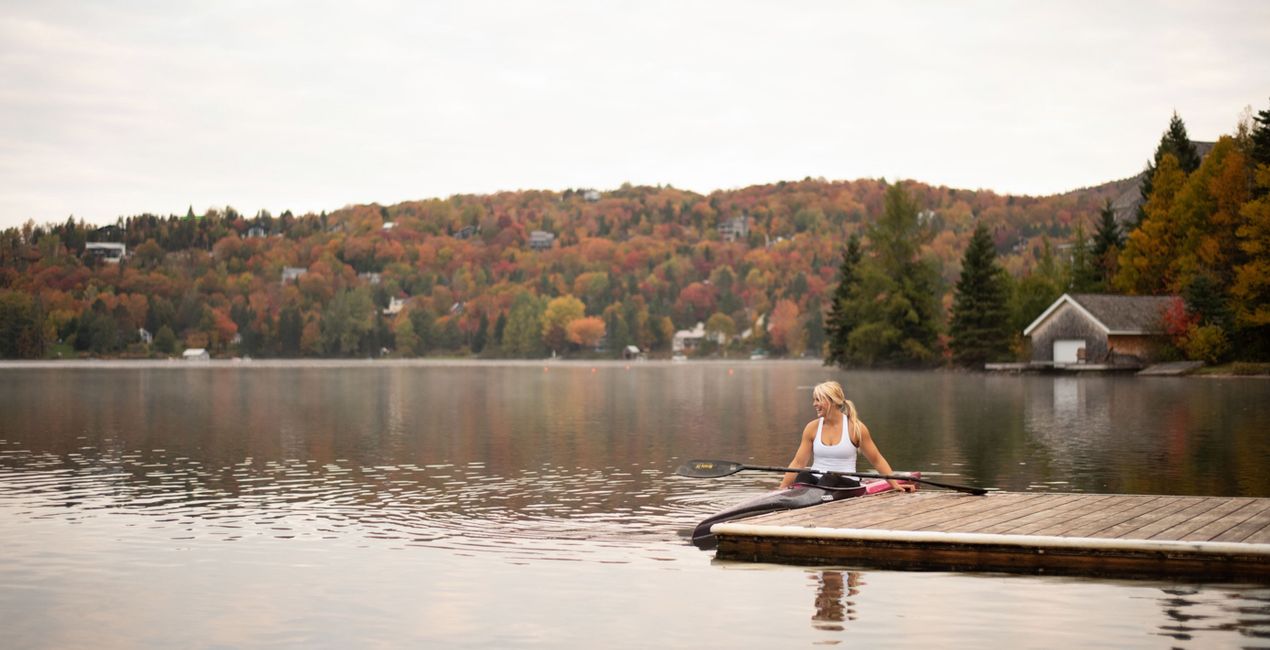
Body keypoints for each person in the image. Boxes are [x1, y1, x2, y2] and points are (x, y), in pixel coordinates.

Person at [778, 380, 916, 492]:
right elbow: (798, 463)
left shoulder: (855, 428)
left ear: (832, 401)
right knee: (802, 476)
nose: (814, 404)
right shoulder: (812, 428)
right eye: (814, 400)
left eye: (819, 400)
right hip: (818, 481)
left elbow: (877, 460)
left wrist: (894, 484)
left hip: (846, 483)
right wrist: (780, 490)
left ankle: (811, 497)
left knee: (829, 478)